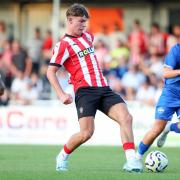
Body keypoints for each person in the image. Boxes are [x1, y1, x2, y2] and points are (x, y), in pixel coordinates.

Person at [47, 3, 142, 173]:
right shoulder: (63, 45)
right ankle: (62, 156)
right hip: (85, 92)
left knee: (126, 118)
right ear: (69, 20)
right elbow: (50, 71)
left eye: (85, 22)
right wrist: (61, 94)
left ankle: (132, 161)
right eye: (80, 21)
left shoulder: (88, 37)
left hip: (103, 88)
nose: (84, 25)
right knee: (86, 133)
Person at [136, 43, 180, 160]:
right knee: (156, 129)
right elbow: (165, 73)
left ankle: (169, 128)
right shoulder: (176, 50)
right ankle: (136, 159)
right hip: (171, 94)